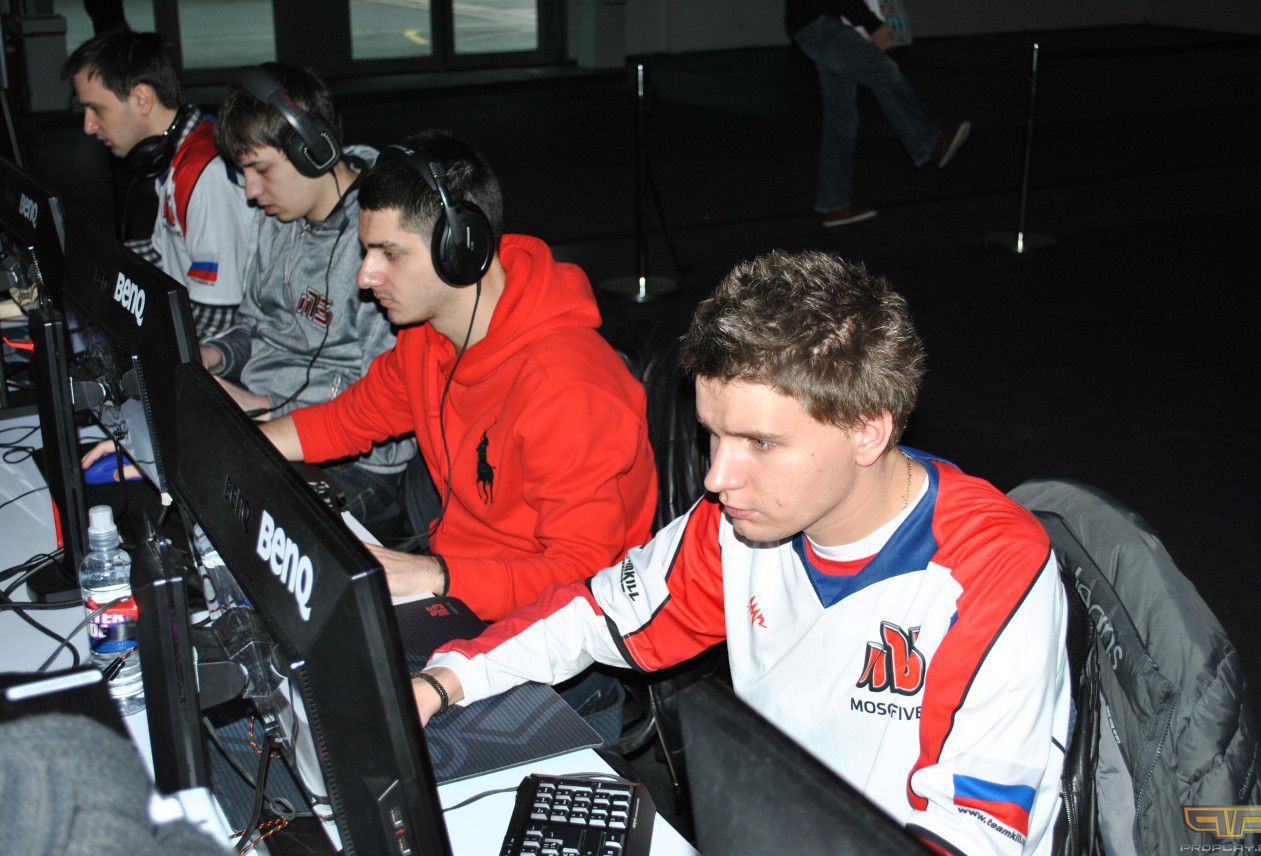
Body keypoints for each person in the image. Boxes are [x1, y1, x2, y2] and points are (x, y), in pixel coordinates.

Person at [414, 250, 1070, 854]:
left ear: (867, 432)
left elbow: (973, 834)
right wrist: (444, 681)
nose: (716, 478)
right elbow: (594, 616)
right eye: (713, 435)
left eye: (760, 443)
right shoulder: (738, 524)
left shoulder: (990, 570)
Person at [256, 129, 657, 738]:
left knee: (359, 736)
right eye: (366, 250)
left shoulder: (569, 386)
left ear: (461, 250)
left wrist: (433, 576)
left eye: (389, 253)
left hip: (561, 646)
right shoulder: (430, 334)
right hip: (463, 598)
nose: (365, 276)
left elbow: (583, 581)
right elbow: (348, 418)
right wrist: (227, 445)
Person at [202, 63, 416, 541]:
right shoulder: (276, 216)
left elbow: (386, 397)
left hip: (361, 468)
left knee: (233, 521)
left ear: (314, 150)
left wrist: (262, 407)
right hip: (269, 425)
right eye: (243, 173)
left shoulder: (381, 239)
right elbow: (255, 324)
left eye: (261, 170)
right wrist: (213, 356)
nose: (251, 192)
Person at [63, 31, 255, 339]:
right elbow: (165, 257)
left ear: (142, 99)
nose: (88, 126)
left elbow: (220, 317)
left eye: (96, 109)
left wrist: (135, 335)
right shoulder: (175, 156)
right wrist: (89, 261)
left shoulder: (205, 175)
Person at [786, 1, 972, 226]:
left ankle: (834, 203)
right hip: (820, 25)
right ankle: (929, 143)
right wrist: (874, 25)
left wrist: (880, 25)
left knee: (841, 115)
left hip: (817, 25)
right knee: (882, 72)